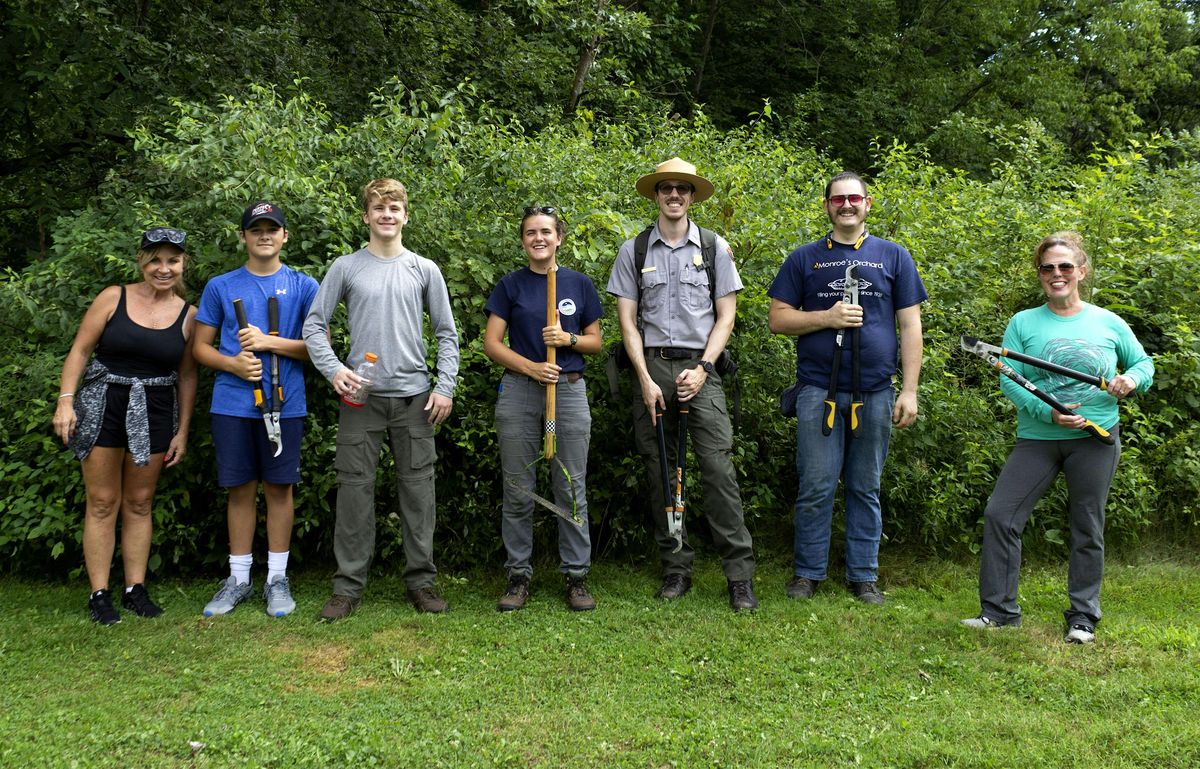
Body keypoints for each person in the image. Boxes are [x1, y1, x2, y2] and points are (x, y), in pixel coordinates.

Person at [961, 231, 1153, 644]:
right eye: (1047, 267)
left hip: (1095, 438)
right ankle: (998, 612)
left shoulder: (1108, 321)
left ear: (1081, 271)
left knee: (1087, 524)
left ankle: (1082, 617)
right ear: (1040, 275)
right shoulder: (1023, 323)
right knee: (1000, 514)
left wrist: (1128, 380)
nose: (1056, 273)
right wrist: (1047, 411)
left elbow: (1143, 365)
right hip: (1038, 438)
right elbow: (1010, 382)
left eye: (1065, 266)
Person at [303, 178, 460, 620]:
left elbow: (447, 333)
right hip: (361, 400)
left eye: (394, 208)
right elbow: (314, 326)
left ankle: (422, 582)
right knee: (354, 493)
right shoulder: (346, 268)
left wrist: (444, 385)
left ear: (406, 216)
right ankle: (348, 587)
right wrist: (334, 369)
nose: (387, 215)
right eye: (378, 208)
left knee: (418, 494)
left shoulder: (424, 269)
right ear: (366, 216)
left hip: (415, 400)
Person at [767, 171, 926, 605]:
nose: (847, 205)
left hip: (875, 391)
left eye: (854, 198)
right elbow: (778, 319)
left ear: (868, 203)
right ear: (827, 207)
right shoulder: (805, 259)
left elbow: (910, 327)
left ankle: (863, 574)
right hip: (818, 389)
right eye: (838, 200)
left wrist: (908, 390)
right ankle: (807, 572)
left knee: (865, 486)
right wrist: (827, 317)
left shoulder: (893, 256)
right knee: (816, 485)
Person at [606, 157, 757, 612]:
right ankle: (676, 568)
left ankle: (739, 575)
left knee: (717, 470)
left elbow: (726, 316)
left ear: (693, 197)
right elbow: (628, 324)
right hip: (651, 370)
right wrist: (645, 377)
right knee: (661, 471)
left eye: (683, 189)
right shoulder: (632, 251)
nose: (674, 195)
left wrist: (705, 368)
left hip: (700, 371)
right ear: (656, 195)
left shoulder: (713, 247)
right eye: (666, 188)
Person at [52, 227, 198, 625]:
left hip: (154, 408)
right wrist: (66, 402)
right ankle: (99, 593)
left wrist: (182, 430)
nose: (163, 268)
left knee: (139, 501)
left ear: (184, 264)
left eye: (172, 260)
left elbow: (187, 376)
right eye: (155, 259)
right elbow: (80, 350)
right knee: (101, 501)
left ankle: (135, 588)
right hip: (102, 405)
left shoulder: (190, 316)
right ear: (141, 260)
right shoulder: (113, 297)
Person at [193, 202, 318, 618]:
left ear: (285, 236)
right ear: (243, 236)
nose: (264, 235)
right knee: (240, 489)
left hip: (288, 404)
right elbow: (199, 347)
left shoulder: (304, 286)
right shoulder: (220, 286)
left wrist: (267, 342)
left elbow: (318, 348)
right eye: (256, 229)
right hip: (232, 405)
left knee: (279, 489)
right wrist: (231, 363)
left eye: (272, 229)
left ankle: (277, 578)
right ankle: (239, 579)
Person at [483, 206, 603, 612]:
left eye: (546, 232)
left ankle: (576, 576)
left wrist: (566, 338)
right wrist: (531, 366)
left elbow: (595, 342)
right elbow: (493, 344)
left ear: (559, 238)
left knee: (570, 485)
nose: (539, 238)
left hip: (567, 390)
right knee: (518, 487)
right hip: (520, 389)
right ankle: (518, 575)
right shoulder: (510, 286)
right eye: (531, 232)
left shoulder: (579, 284)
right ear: (523, 240)